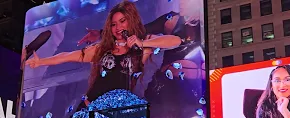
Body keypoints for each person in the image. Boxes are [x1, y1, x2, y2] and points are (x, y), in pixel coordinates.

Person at [26, 1, 181, 108]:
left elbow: (175, 41)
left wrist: (142, 44)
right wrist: (41, 62)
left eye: (122, 21)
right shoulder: (103, 48)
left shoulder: (143, 45)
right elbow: (68, 56)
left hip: (119, 112)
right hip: (89, 110)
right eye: (113, 24)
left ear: (131, 21)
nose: (118, 27)